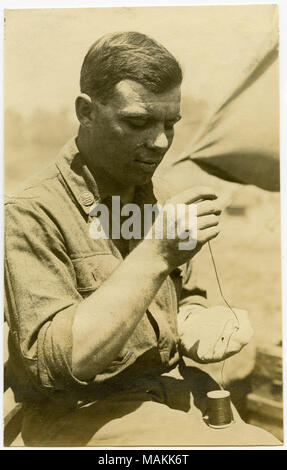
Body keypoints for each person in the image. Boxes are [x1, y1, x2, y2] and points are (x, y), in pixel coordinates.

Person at [4, 31, 280, 446]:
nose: (160, 141)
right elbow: (58, 364)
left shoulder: (162, 198)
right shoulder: (31, 213)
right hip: (81, 413)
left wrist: (196, 320)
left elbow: (185, 294)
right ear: (86, 112)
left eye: (171, 124)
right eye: (138, 122)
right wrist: (155, 254)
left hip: (176, 394)